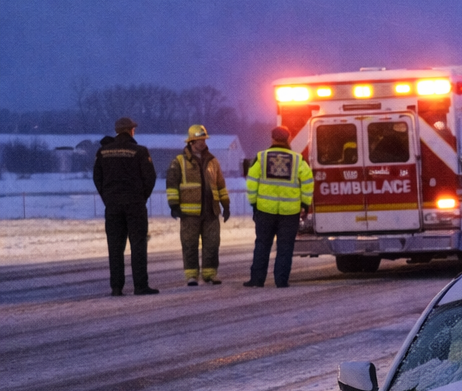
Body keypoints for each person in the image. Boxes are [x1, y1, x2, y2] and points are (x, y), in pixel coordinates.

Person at [92, 116, 159, 295]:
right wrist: (141, 197)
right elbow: (150, 178)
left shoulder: (103, 152)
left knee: (115, 246)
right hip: (135, 204)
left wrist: (107, 197)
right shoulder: (140, 151)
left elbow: (97, 178)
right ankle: (140, 286)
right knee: (138, 245)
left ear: (116, 131)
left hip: (113, 206)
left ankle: (116, 287)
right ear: (131, 130)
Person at [245, 126, 313, 289]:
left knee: (262, 244)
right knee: (285, 247)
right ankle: (281, 280)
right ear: (288, 139)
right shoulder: (297, 160)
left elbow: (252, 182)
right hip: (290, 212)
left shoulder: (261, 158)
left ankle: (257, 280)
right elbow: (308, 182)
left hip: (265, 211)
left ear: (273, 139)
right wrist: (304, 204)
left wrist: (254, 203)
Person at [166, 124, 230, 285]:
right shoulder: (179, 162)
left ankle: (210, 274)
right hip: (189, 213)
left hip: (211, 211)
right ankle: (192, 275)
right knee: (189, 244)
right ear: (191, 143)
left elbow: (220, 184)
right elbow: (172, 184)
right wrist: (174, 205)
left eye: (203, 139)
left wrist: (226, 205)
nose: (202, 143)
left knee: (212, 243)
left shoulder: (212, 161)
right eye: (199, 140)